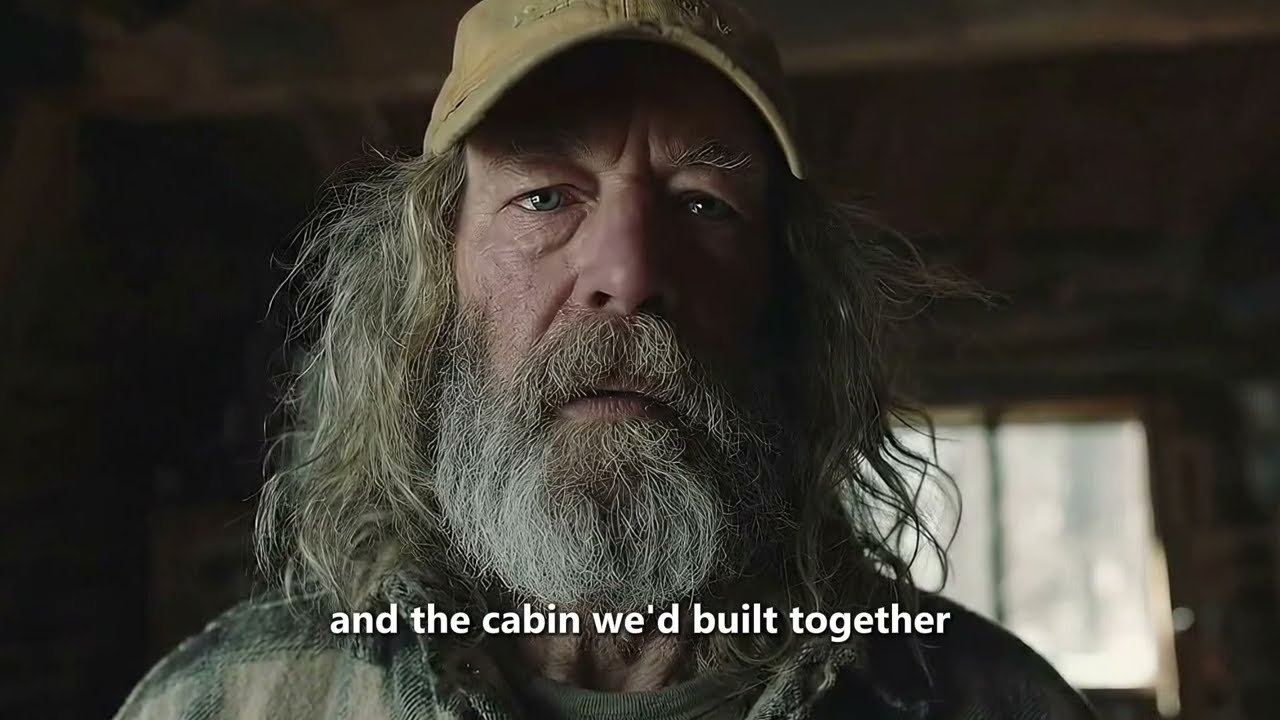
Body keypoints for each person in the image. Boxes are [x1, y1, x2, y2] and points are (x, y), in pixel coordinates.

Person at [115, 0, 1097, 718]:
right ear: (430, 284)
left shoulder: (993, 706)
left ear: (790, 302)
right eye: (544, 196)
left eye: (704, 204)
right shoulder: (226, 705)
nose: (627, 275)